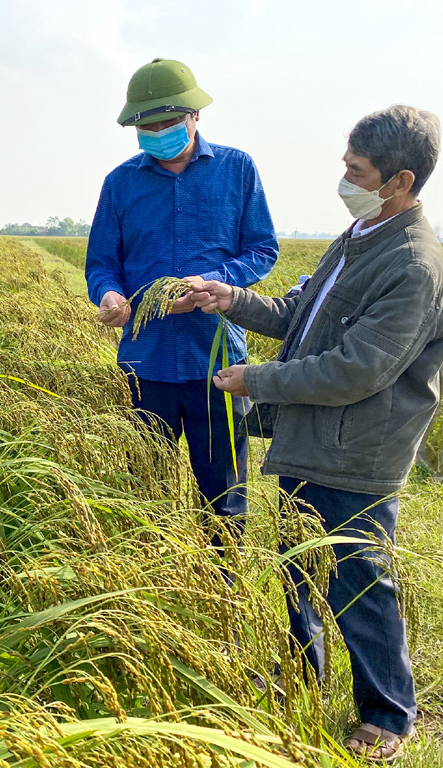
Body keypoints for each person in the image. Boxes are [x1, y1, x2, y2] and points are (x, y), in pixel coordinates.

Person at [191, 105, 443, 762]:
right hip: (314, 439)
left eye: (356, 170)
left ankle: (389, 715)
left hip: (357, 450)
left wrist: (257, 381)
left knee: (359, 581)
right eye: (345, 164)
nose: (344, 177)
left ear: (399, 179)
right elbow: (299, 314)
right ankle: (301, 678)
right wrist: (232, 299)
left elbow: (357, 370)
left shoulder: (411, 266)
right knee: (300, 570)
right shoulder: (360, 233)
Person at [84, 58, 278, 546]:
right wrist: (109, 293)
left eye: (167, 123)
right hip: (144, 365)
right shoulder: (120, 183)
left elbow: (262, 249)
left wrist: (213, 284)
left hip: (216, 362)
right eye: (146, 127)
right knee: (144, 495)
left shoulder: (237, 170)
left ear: (195, 115)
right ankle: (155, 591)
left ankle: (225, 596)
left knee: (225, 500)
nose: (157, 133)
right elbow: (101, 264)